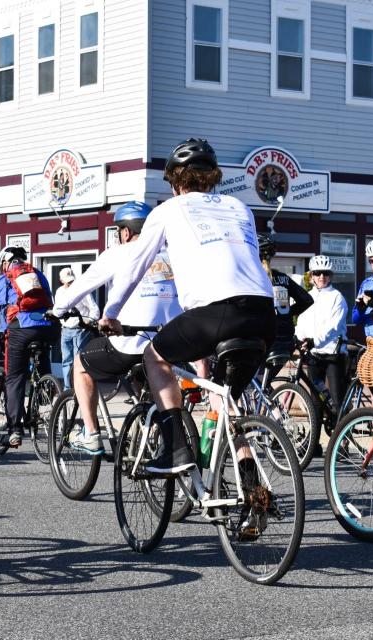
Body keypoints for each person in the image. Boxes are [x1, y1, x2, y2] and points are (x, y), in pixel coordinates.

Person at [100, 138, 276, 474]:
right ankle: (251, 482)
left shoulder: (167, 210)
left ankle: (177, 449)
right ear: (213, 177)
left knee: (155, 355)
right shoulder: (240, 208)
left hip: (216, 313)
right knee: (225, 399)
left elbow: (136, 266)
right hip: (263, 315)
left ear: (175, 181)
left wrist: (111, 314)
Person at [52, 200, 181, 454]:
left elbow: (79, 288)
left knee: (80, 364)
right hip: (172, 341)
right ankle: (158, 430)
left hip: (131, 341)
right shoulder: (171, 256)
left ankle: (90, 433)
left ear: (125, 232)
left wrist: (56, 310)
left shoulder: (117, 253)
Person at [0, 245, 58, 454]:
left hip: (21, 329)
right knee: (41, 352)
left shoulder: (4, 280)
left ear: (5, 263)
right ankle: (45, 388)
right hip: (48, 327)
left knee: (15, 377)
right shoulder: (38, 275)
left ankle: (14, 430)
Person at [294, 255, 348, 451]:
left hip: (334, 354)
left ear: (331, 275)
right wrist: (299, 338)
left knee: (337, 399)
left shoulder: (337, 297)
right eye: (317, 273)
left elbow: (334, 327)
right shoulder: (308, 296)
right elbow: (302, 322)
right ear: (312, 275)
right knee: (315, 401)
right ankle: (313, 444)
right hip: (314, 354)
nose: (322, 277)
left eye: (325, 273)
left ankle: (341, 442)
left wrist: (314, 340)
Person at [257, 233, 313, 375]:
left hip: (264, 339)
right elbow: (307, 300)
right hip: (285, 339)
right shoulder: (282, 278)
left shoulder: (253, 279)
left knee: (251, 383)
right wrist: (288, 313)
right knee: (265, 383)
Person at [56, 266, 99, 389]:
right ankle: (68, 388)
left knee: (78, 361)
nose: (70, 283)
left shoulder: (81, 290)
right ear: (61, 280)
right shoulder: (59, 291)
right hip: (65, 330)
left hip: (80, 330)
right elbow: (58, 309)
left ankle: (79, 387)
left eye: (72, 281)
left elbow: (94, 309)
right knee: (66, 361)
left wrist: (88, 322)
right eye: (68, 281)